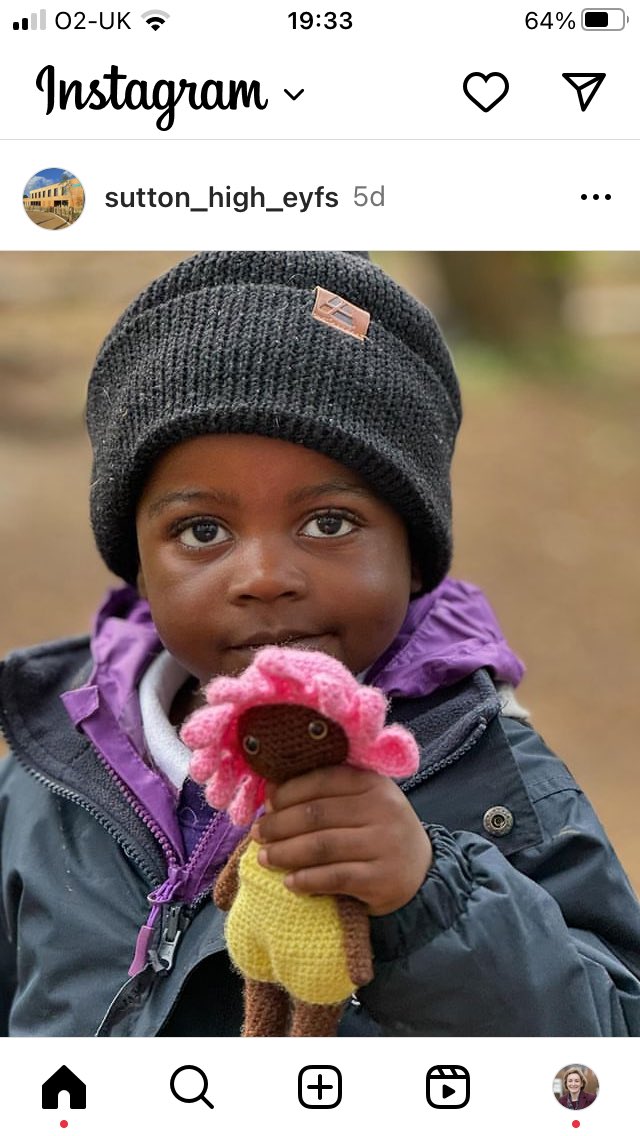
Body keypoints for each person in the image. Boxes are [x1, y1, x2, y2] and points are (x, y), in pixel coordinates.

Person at [1, 250, 640, 1037]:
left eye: (328, 523)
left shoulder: (492, 775)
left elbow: (605, 1053)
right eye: (202, 531)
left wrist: (429, 892)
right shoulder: (53, 774)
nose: (266, 576)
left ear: (414, 554)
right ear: (137, 564)